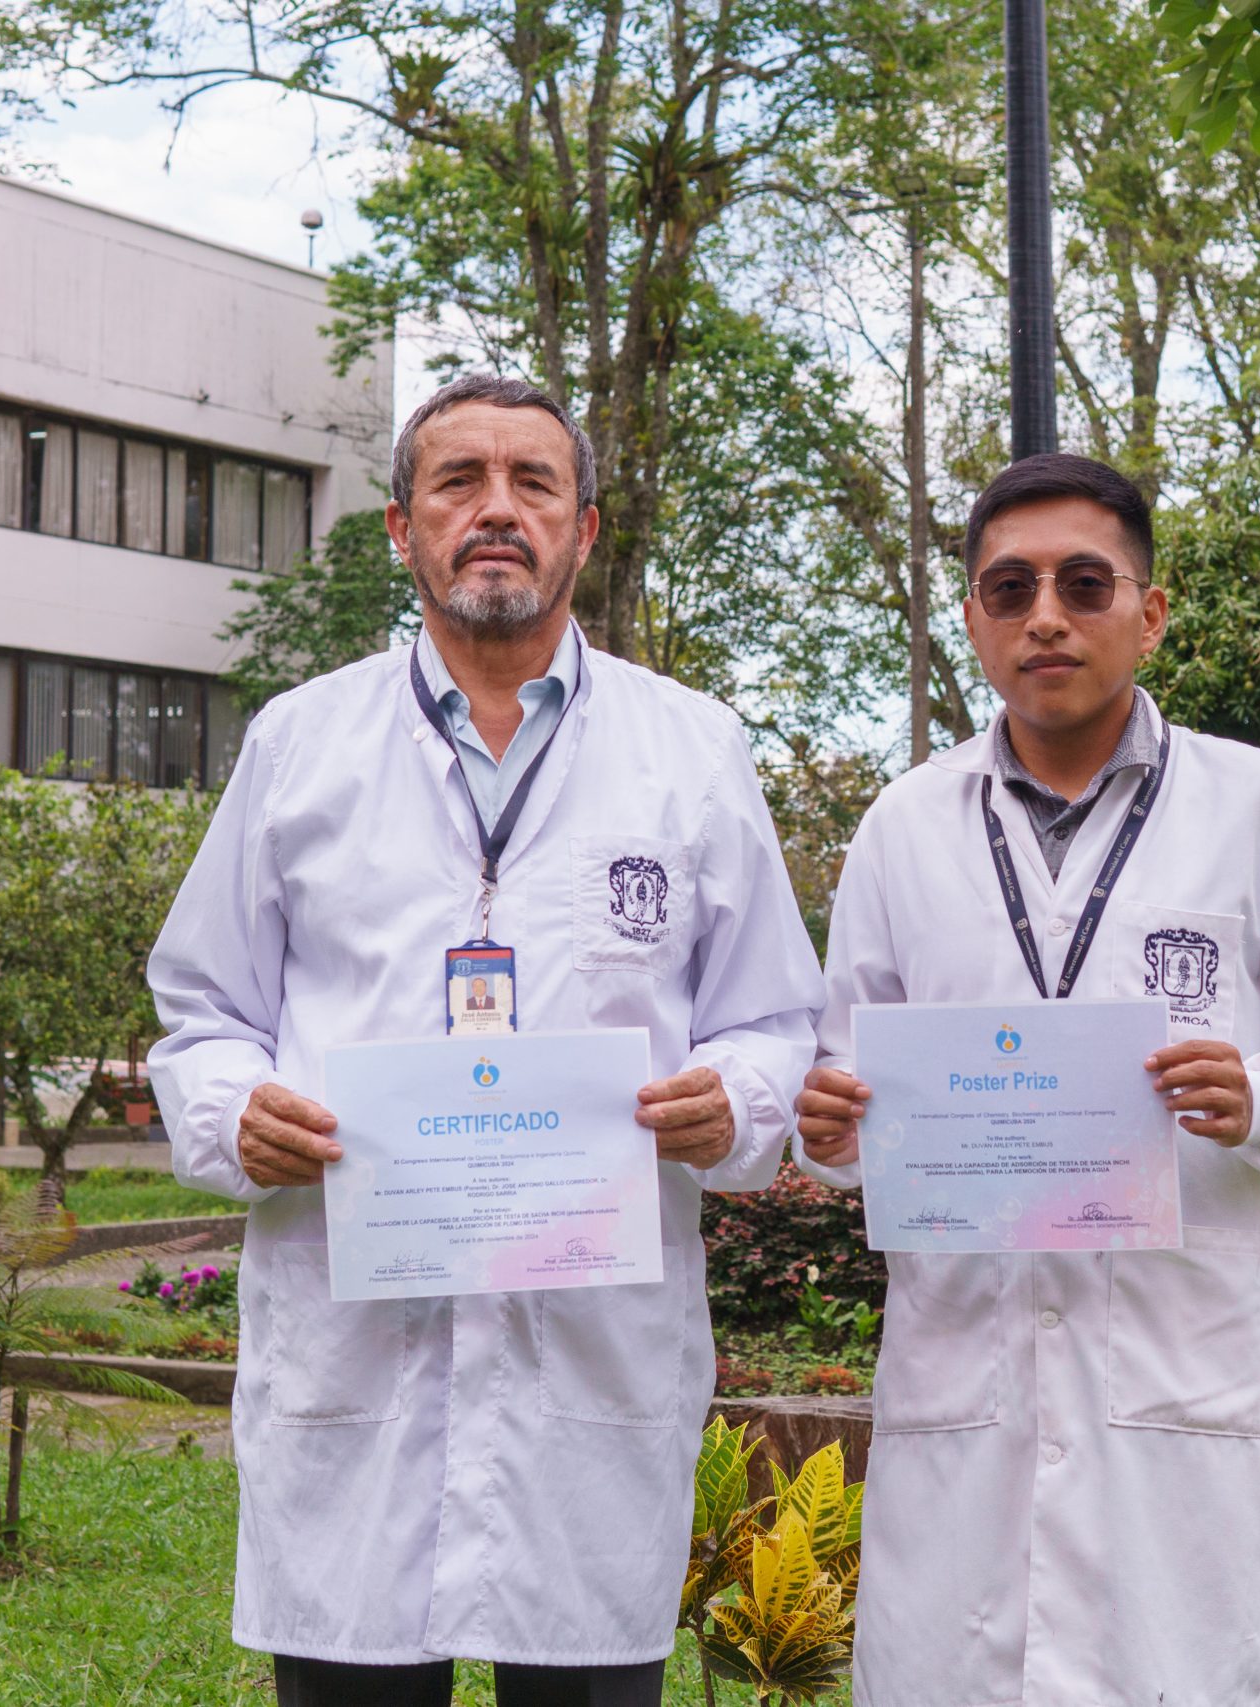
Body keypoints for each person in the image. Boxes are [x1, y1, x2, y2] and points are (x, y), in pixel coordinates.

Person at [149, 373, 822, 1706]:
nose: (497, 510)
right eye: (460, 481)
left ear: (586, 527)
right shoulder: (302, 743)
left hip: (590, 1347)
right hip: (357, 1337)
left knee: (581, 1672)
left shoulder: (690, 749)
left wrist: (733, 1101)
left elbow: (774, 1018)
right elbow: (204, 1006)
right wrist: (236, 1112)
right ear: (402, 526)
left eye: (534, 483)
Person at [792, 454, 1260, 1706]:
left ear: (1150, 609)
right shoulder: (905, 826)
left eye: (1086, 583)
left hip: (1178, 1362)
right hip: (966, 1361)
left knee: (1177, 1672)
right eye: (1008, 586)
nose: (1046, 616)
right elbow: (841, 1067)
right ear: (971, 617)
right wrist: (832, 1120)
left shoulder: (1258, 805)